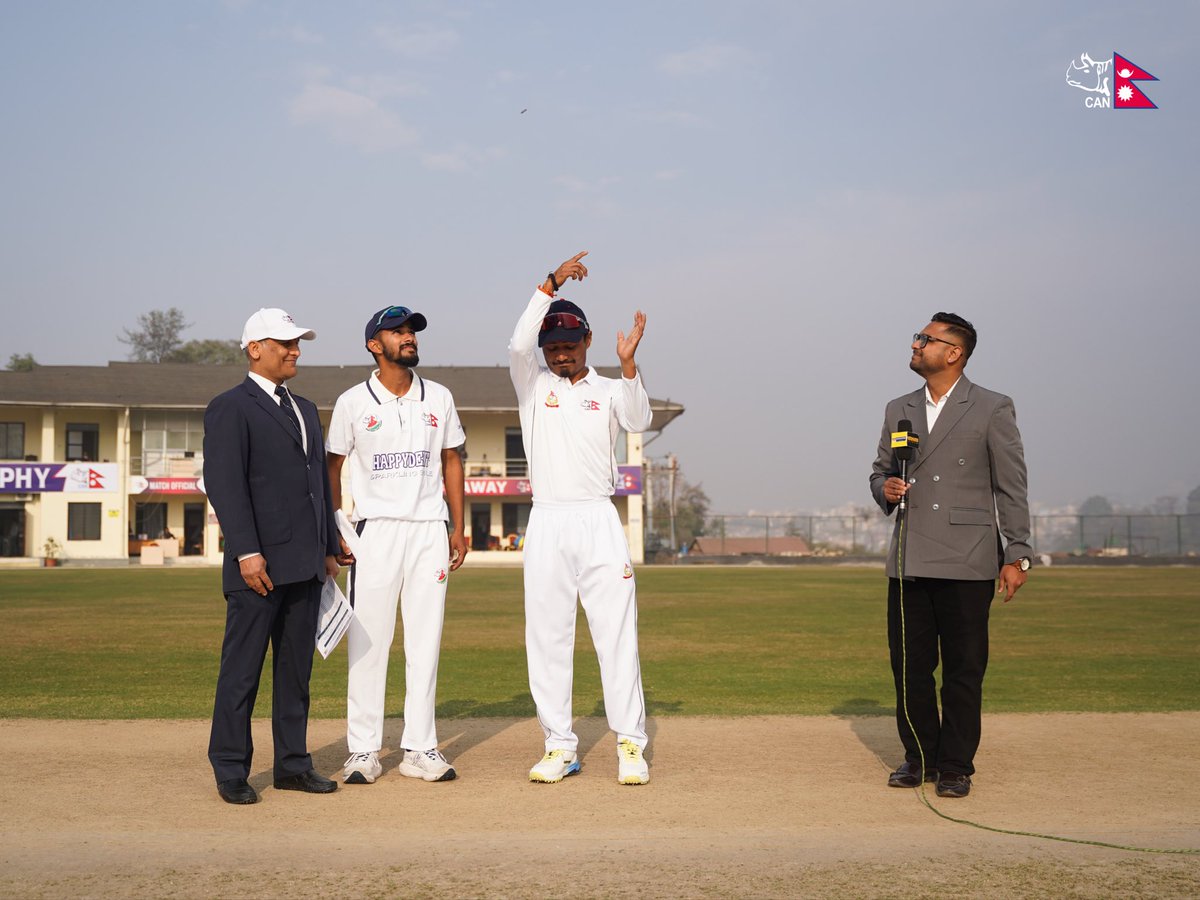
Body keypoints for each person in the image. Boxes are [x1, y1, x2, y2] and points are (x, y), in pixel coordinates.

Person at [869, 313, 1032, 799]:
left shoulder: (991, 407)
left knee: (963, 667)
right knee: (909, 667)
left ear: (954, 352)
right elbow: (878, 472)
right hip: (909, 557)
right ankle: (918, 756)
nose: (916, 344)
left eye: (926, 339)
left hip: (969, 557)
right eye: (918, 337)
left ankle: (956, 765)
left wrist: (1018, 553)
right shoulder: (899, 408)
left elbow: (1011, 486)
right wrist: (887, 489)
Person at [509, 250, 653, 786]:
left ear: (587, 342)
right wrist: (547, 285)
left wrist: (631, 365)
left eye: (568, 346)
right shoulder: (532, 384)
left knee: (616, 634)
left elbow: (639, 420)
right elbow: (517, 343)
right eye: (552, 348)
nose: (559, 356)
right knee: (546, 636)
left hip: (597, 521)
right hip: (546, 520)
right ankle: (558, 745)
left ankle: (631, 744)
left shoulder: (611, 389)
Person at [203, 308, 341, 805]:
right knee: (241, 672)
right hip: (256, 567)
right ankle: (231, 769)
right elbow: (225, 484)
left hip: (305, 564)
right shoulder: (229, 407)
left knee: (295, 674)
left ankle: (292, 765)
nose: (295, 350)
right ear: (254, 347)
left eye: (298, 342)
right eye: (285, 342)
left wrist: (327, 548)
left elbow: (318, 488)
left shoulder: (305, 409)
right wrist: (246, 552)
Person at [326, 305, 468, 785]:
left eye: (411, 331)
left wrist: (457, 526)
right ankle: (363, 750)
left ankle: (420, 748)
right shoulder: (352, 402)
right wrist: (335, 529)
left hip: (429, 528)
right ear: (374, 344)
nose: (408, 338)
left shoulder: (440, 397)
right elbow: (331, 467)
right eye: (398, 331)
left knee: (425, 642)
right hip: (376, 530)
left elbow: (452, 460)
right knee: (369, 641)